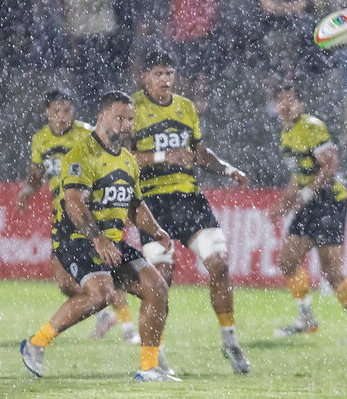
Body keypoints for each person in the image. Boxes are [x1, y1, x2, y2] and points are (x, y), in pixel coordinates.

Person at [20, 91, 179, 381]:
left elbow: (135, 205)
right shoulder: (81, 154)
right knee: (101, 293)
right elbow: (74, 203)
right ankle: (35, 344)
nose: (126, 124)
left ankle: (149, 368)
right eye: (119, 118)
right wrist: (98, 239)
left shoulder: (128, 161)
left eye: (130, 119)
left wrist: (155, 230)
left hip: (111, 241)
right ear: (101, 116)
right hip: (78, 238)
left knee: (157, 288)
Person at [130, 50, 250, 374]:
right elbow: (123, 158)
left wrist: (227, 169)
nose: (165, 80)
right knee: (161, 281)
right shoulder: (132, 109)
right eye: (158, 74)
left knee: (220, 264)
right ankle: (156, 357)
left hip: (188, 199)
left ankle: (229, 339)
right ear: (145, 78)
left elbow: (198, 152)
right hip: (152, 203)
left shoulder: (185, 107)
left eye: (169, 73)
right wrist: (162, 156)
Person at [16, 89, 141, 343]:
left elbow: (115, 151)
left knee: (107, 269)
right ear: (47, 112)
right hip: (63, 215)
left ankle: (128, 326)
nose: (63, 116)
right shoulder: (40, 139)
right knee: (65, 283)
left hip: (93, 216)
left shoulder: (86, 134)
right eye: (57, 111)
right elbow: (37, 172)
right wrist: (28, 191)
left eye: (68, 110)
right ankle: (102, 310)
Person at [269, 86, 347, 344]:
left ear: (300, 104)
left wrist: (306, 194)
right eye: (280, 101)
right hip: (311, 203)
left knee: (331, 270)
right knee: (287, 261)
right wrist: (283, 204)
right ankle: (306, 318)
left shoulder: (312, 126)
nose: (285, 105)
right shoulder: (286, 135)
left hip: (329, 200)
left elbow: (330, 166)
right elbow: (299, 175)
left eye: (290, 100)